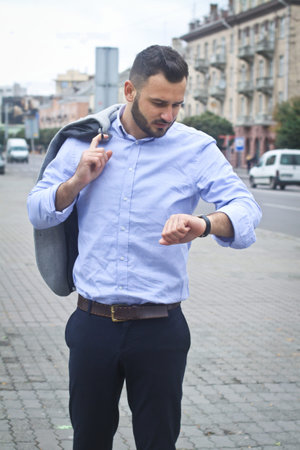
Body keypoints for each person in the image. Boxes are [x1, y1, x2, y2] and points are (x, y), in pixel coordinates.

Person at [27, 45, 261, 450]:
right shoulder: (84, 142)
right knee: (89, 439)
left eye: (177, 105)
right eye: (159, 103)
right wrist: (77, 181)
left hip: (160, 329)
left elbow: (246, 209)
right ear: (130, 90)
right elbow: (38, 210)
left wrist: (203, 225)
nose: (168, 116)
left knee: (157, 442)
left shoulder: (196, 147)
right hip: (92, 324)